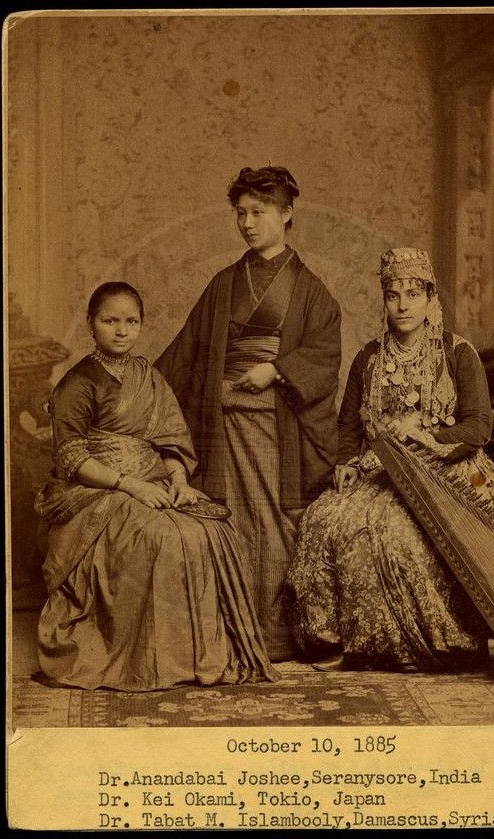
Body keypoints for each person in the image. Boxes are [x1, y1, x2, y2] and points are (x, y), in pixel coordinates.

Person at [34, 282, 277, 691]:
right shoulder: (77, 383)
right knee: (161, 536)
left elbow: (170, 439)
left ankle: (204, 655)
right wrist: (132, 487)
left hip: (156, 481)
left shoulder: (148, 375)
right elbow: (72, 460)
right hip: (98, 492)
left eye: (131, 321)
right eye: (110, 321)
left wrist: (179, 480)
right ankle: (152, 660)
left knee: (212, 530)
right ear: (92, 325)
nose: (121, 330)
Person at [286, 247, 494, 673]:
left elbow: (478, 427)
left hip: (453, 469)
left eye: (413, 294)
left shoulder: (457, 353)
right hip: (383, 469)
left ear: (430, 298)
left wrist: (428, 436)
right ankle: (341, 641)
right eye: (393, 295)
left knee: (391, 529)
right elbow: (349, 426)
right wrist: (347, 462)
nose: (403, 305)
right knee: (325, 516)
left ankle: (426, 644)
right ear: (384, 301)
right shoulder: (369, 357)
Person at [155, 166, 341, 661]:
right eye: (241, 214)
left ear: (286, 214)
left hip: (275, 424)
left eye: (259, 212)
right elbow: (186, 352)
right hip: (222, 422)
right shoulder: (223, 284)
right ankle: (232, 633)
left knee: (275, 523)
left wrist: (278, 369)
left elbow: (324, 354)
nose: (248, 223)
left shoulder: (311, 291)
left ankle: (275, 635)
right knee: (229, 521)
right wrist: (138, 388)